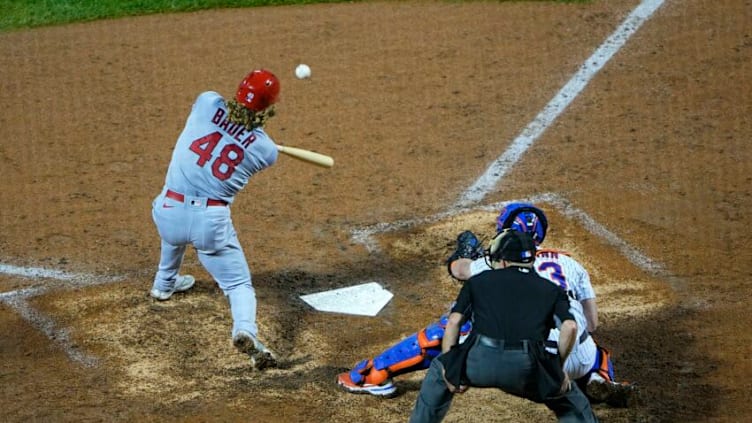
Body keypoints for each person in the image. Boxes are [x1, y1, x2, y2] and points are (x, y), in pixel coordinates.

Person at [337, 203, 637, 407]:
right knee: (581, 332)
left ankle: (374, 375)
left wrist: (462, 253)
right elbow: (593, 322)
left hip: (527, 367)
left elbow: (460, 270)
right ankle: (599, 377)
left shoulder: (497, 260)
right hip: (576, 358)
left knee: (455, 326)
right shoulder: (570, 263)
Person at [149, 69, 281, 370]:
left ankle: (163, 284)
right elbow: (252, 139)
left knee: (176, 227)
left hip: (167, 212)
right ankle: (245, 330)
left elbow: (219, 117)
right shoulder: (266, 151)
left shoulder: (208, 102)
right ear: (268, 108)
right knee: (238, 285)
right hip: (210, 223)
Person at [409, 229, 598, 422]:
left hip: (478, 361)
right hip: (527, 367)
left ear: (504, 261)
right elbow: (570, 327)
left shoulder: (477, 281)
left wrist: (450, 366)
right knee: (571, 400)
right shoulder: (551, 289)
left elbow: (454, 321)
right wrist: (556, 368)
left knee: (437, 372)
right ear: (532, 259)